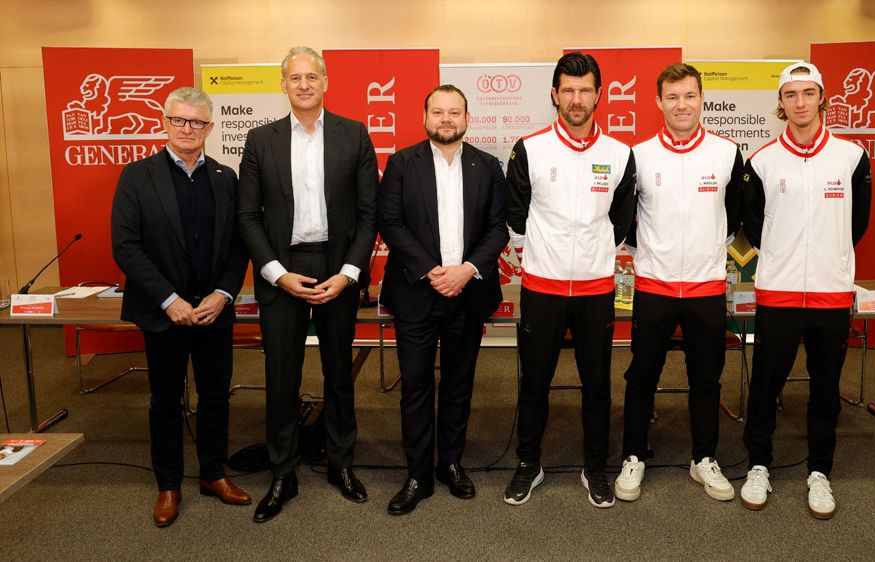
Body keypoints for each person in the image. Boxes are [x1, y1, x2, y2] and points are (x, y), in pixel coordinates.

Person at [237, 46, 378, 523]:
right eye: (294, 77)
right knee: (282, 378)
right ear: (283, 86)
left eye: (311, 76)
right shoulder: (261, 141)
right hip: (283, 268)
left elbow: (368, 214)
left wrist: (348, 274)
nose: (303, 84)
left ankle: (341, 463)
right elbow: (247, 217)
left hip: (338, 267)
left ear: (325, 82)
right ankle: (283, 473)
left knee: (340, 374)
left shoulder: (354, 134)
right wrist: (276, 272)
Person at [111, 87, 251, 527]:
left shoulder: (227, 178)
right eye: (179, 120)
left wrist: (224, 293)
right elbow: (126, 247)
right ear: (164, 122)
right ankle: (168, 484)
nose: (187, 129)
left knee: (216, 397)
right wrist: (169, 300)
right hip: (163, 313)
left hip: (213, 312)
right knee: (165, 401)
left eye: (197, 122)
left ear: (210, 128)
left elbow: (239, 244)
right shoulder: (137, 176)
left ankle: (212, 474)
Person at [740, 62, 872, 519]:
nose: (800, 102)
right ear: (781, 103)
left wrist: (828, 260)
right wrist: (785, 257)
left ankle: (820, 472)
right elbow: (753, 227)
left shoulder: (851, 157)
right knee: (765, 386)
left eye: (808, 93)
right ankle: (759, 465)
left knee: (825, 389)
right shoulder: (761, 161)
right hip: (777, 293)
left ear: (822, 98)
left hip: (830, 294)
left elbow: (858, 224)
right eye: (791, 94)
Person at [504, 52, 636, 508]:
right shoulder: (530, 148)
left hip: (597, 289)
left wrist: (594, 257)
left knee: (597, 385)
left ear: (599, 95)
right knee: (534, 383)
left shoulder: (620, 155)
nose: (576, 99)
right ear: (554, 94)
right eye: (568, 90)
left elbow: (622, 221)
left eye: (585, 90)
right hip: (542, 288)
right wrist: (541, 259)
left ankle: (595, 468)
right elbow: (516, 215)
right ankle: (528, 464)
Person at [614, 63, 743, 503]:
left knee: (706, 379)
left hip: (706, 289)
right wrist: (652, 255)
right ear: (659, 102)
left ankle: (703, 458)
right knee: (641, 376)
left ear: (702, 99)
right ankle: (633, 455)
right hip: (653, 287)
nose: (681, 105)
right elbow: (626, 218)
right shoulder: (641, 154)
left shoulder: (727, 153)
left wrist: (708, 251)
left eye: (689, 96)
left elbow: (735, 217)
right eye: (672, 97)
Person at [377, 85, 508, 515]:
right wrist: (432, 270)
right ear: (425, 117)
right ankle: (417, 473)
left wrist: (466, 270)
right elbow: (390, 223)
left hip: (467, 293)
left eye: (454, 112)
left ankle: (450, 463)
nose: (446, 119)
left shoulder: (488, 166)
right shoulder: (401, 163)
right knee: (415, 386)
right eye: (438, 112)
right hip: (417, 292)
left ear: (468, 119)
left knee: (458, 385)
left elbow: (498, 228)